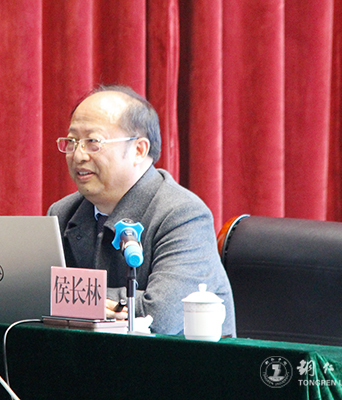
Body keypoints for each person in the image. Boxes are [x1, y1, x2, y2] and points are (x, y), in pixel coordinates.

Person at [47, 85, 235, 336]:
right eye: (72, 142)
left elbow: (161, 316)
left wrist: (74, 299)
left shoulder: (183, 215)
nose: (78, 155)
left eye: (93, 142)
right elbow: (39, 298)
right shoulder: (63, 212)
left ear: (139, 150)